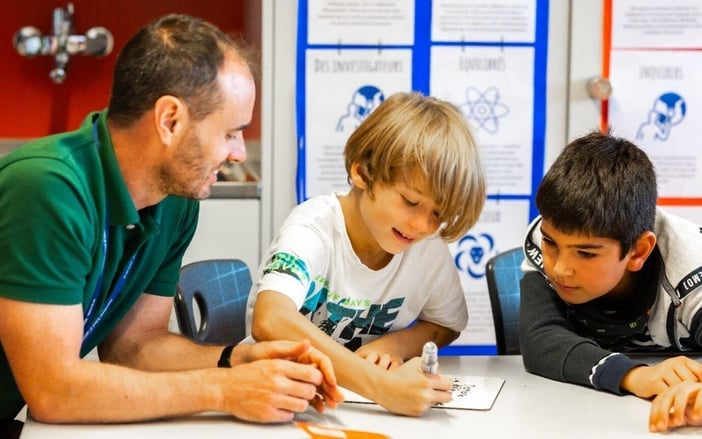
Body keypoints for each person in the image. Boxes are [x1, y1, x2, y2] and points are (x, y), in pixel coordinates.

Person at [0, 13, 343, 438]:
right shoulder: (47, 187)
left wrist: (238, 359)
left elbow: (134, 346)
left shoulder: (174, 201)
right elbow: (54, 392)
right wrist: (224, 389)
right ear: (170, 120)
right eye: (232, 132)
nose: (238, 153)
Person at [246, 91, 487, 416]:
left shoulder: (426, 248)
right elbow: (271, 318)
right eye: (410, 201)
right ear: (362, 172)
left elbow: (447, 323)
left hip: (358, 408)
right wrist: (380, 385)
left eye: (437, 214)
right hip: (282, 401)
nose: (421, 225)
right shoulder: (313, 228)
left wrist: (397, 345)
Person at [519, 131, 702, 417]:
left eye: (586, 253)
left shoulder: (692, 269)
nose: (559, 268)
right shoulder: (541, 236)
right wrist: (634, 376)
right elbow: (540, 339)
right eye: (551, 243)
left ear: (639, 251)